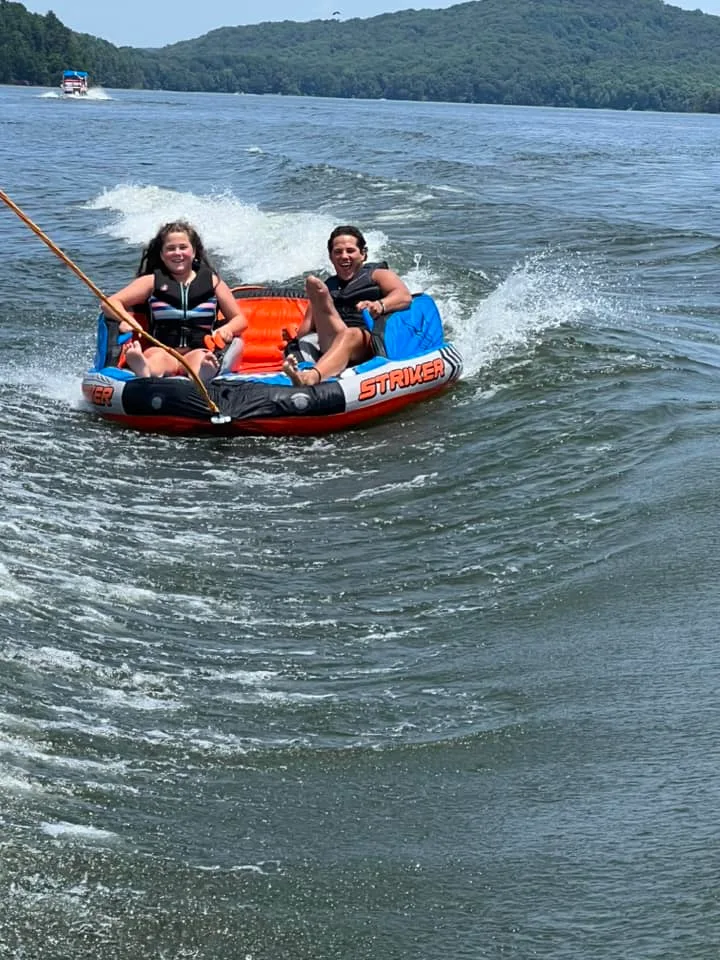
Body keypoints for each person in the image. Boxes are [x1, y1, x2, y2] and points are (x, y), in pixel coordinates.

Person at [102, 220, 247, 379]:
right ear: (162, 255)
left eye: (183, 247)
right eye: (170, 248)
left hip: (198, 349)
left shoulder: (214, 283)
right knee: (157, 358)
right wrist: (127, 320)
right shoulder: (150, 282)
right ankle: (145, 369)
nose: (177, 253)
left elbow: (239, 319)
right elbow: (110, 303)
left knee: (201, 359)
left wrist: (227, 329)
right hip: (162, 348)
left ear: (194, 252)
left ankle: (203, 374)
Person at [283, 225, 411, 386]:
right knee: (310, 335)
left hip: (368, 341)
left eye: (350, 251)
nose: (344, 256)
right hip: (332, 338)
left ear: (363, 254)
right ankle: (306, 365)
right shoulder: (329, 284)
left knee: (349, 334)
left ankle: (311, 377)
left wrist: (379, 304)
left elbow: (404, 296)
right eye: (338, 252)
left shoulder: (378, 275)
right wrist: (292, 336)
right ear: (330, 257)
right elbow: (305, 330)